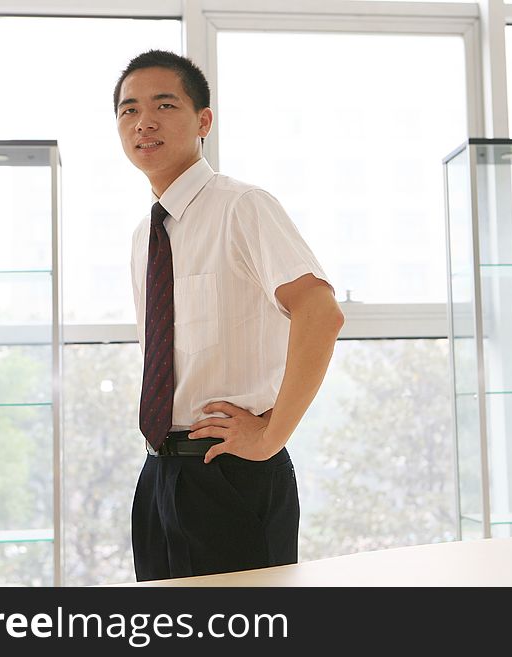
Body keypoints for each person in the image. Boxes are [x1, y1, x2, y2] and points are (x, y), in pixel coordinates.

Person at [114, 49, 344, 582]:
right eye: (128, 111)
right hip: (159, 473)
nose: (143, 121)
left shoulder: (242, 206)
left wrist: (271, 436)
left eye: (163, 105)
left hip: (231, 472)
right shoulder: (144, 235)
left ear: (203, 121)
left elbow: (320, 312)